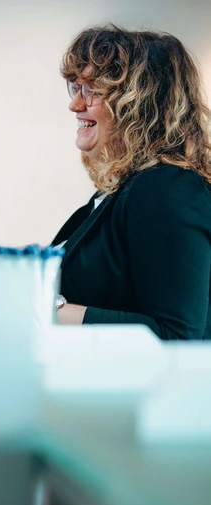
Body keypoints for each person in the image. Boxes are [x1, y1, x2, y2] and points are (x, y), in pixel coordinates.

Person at [53, 25, 211, 340]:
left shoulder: (168, 188)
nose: (75, 105)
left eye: (92, 90)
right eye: (76, 88)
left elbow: (176, 335)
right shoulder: (125, 188)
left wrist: (51, 312)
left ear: (137, 103)